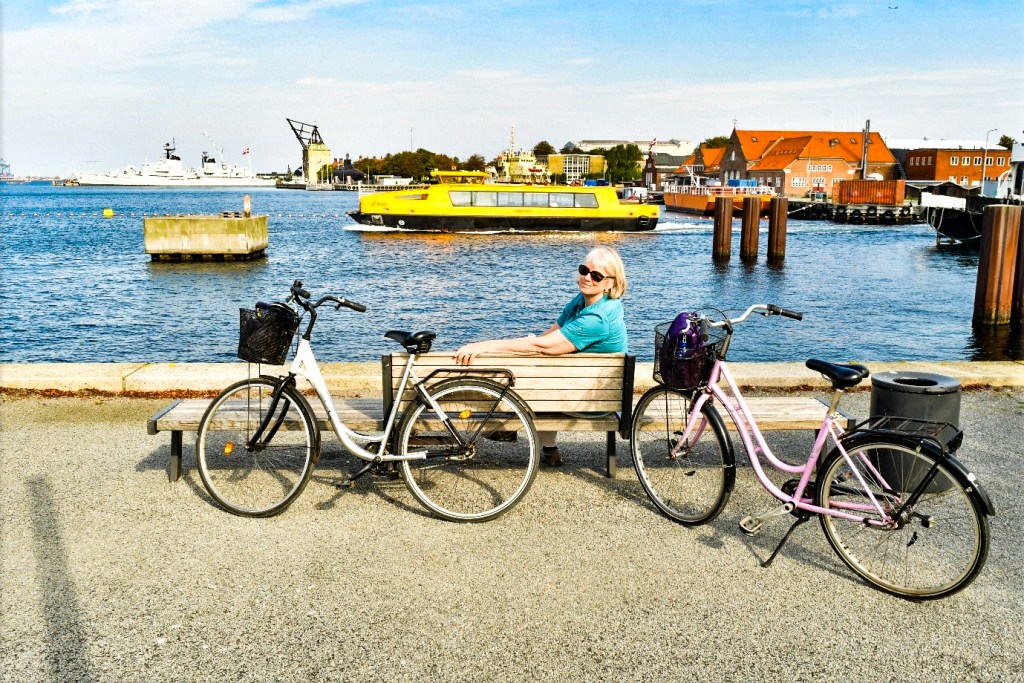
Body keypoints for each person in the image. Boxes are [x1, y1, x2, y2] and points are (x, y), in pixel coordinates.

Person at [454, 246, 628, 466]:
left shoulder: (598, 319)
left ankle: (504, 421)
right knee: (536, 370)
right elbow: (551, 334)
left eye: (596, 275)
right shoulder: (585, 301)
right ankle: (547, 447)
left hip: (593, 402)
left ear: (611, 283)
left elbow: (544, 346)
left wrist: (484, 346)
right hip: (585, 387)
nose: (586, 278)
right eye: (584, 270)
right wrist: (524, 353)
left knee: (534, 376)